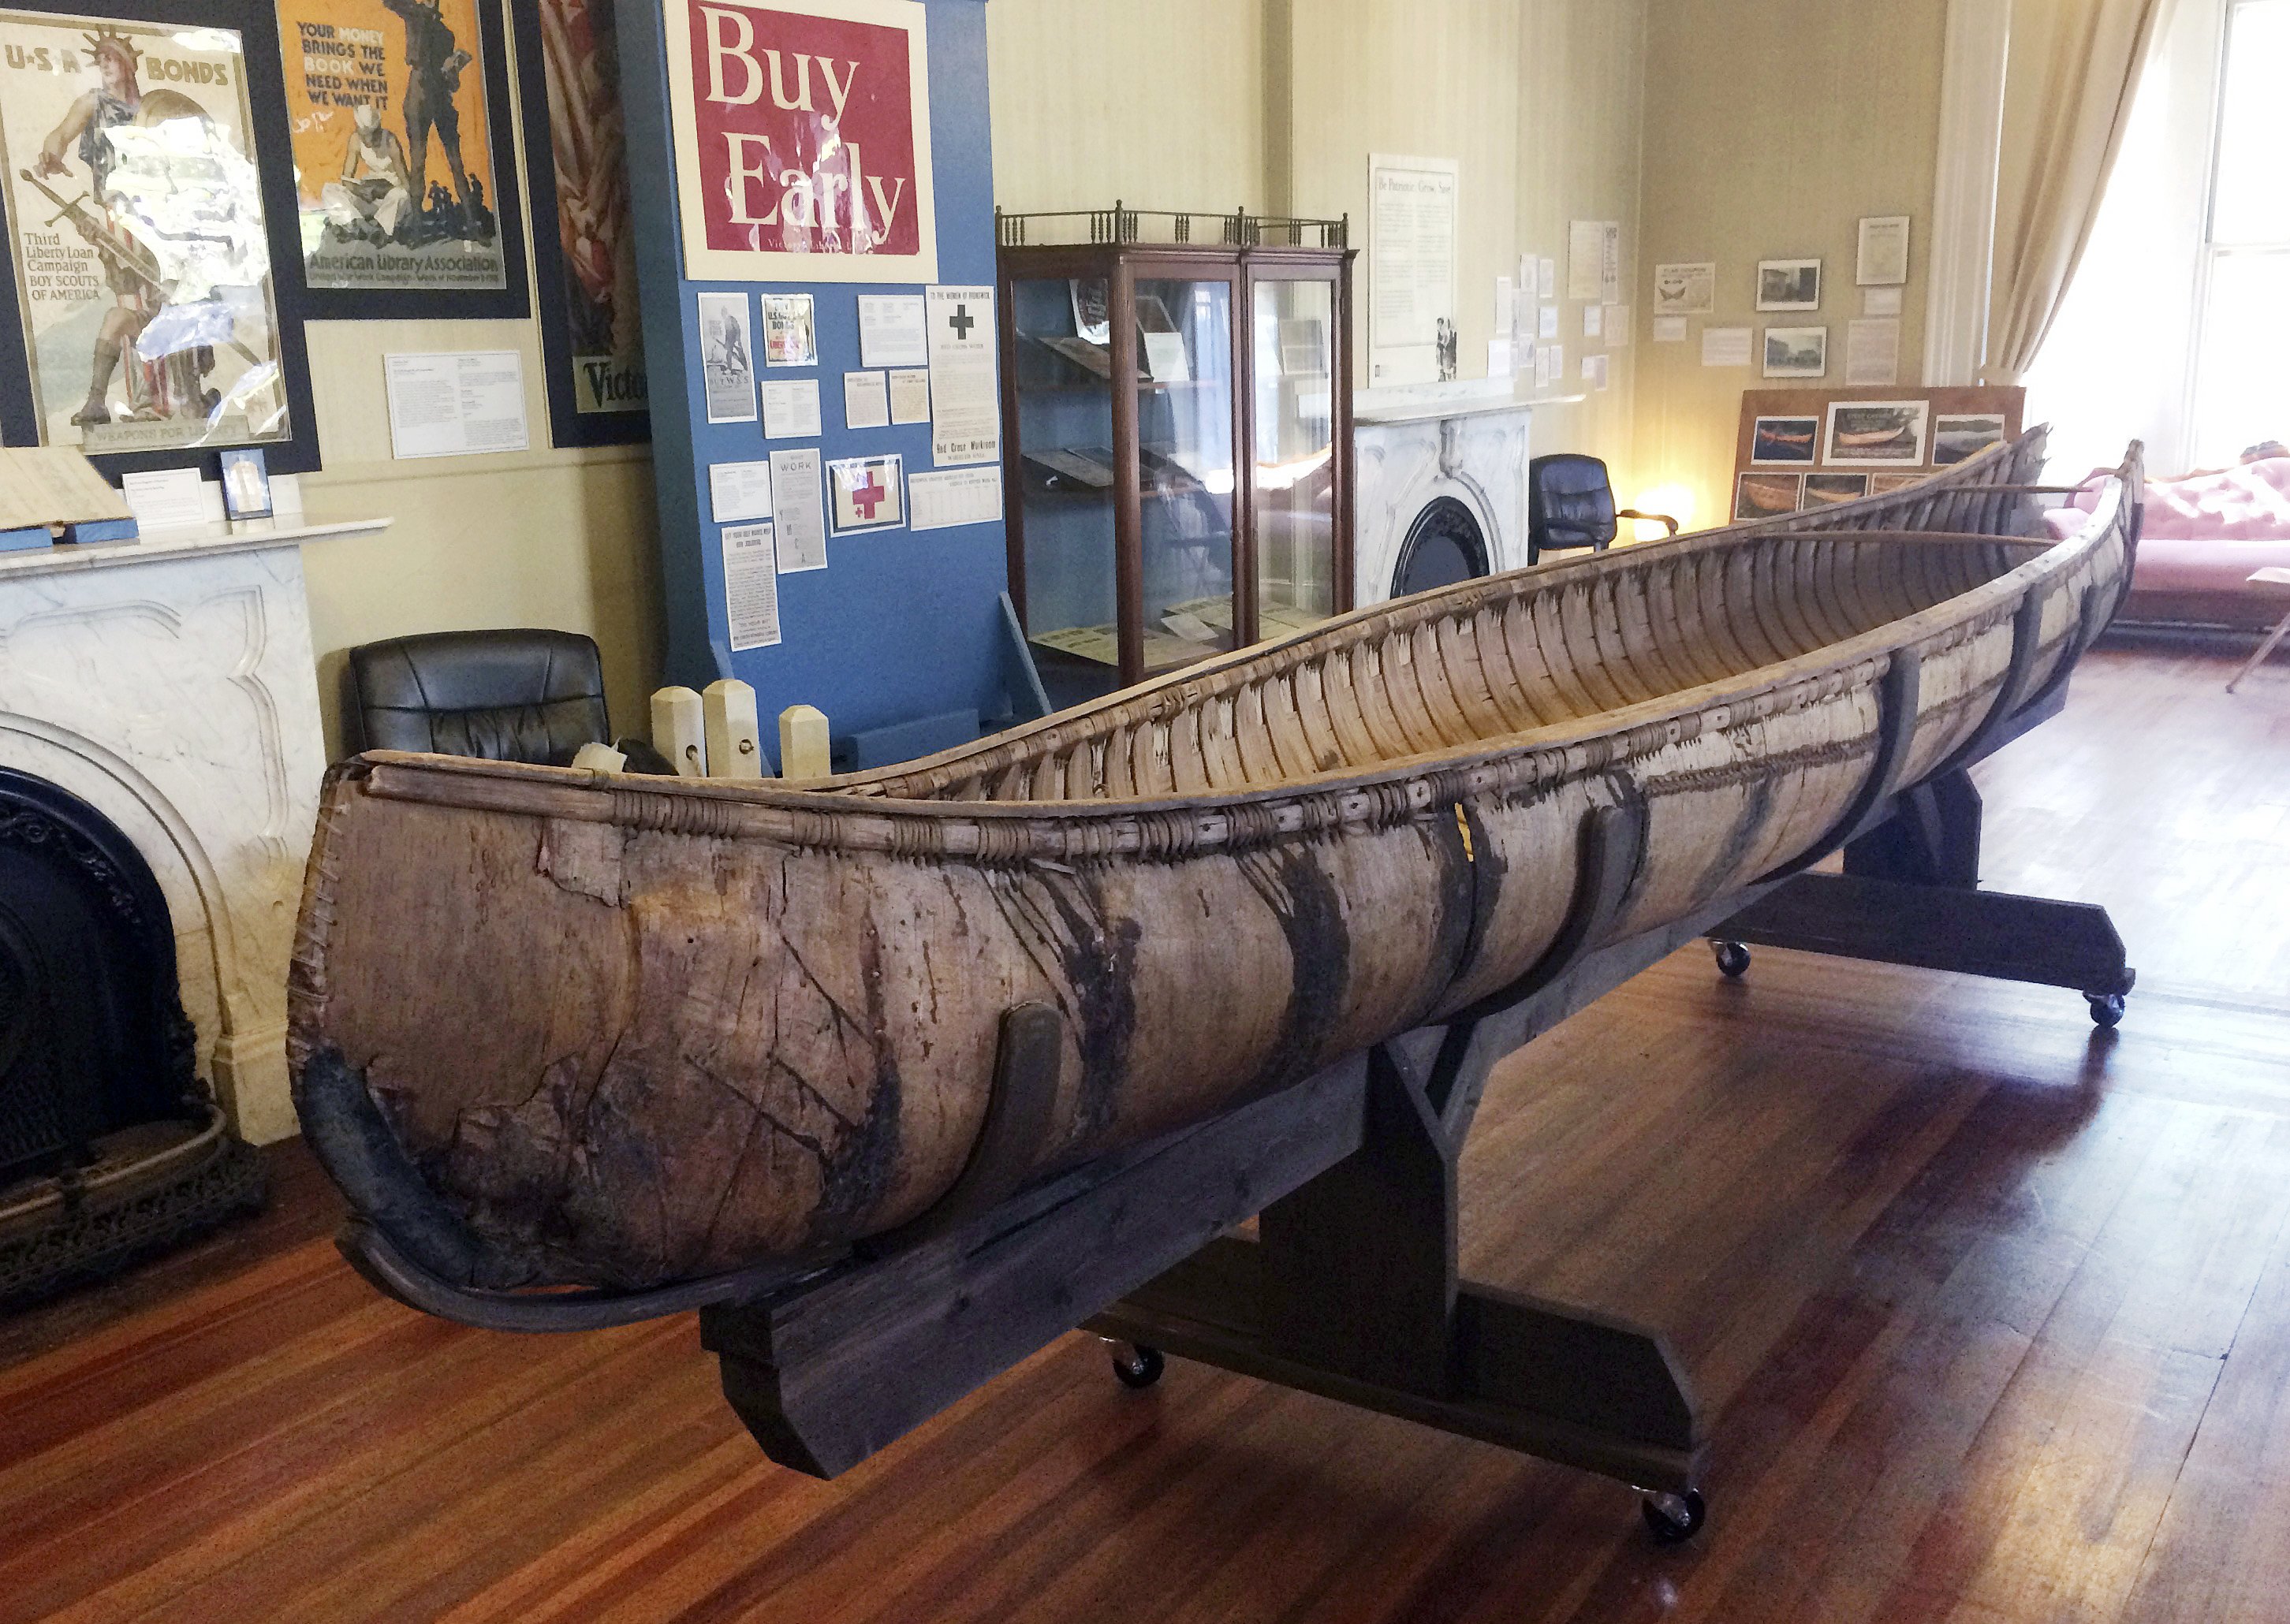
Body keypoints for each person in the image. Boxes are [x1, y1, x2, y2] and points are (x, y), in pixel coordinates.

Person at [35, 28, 211, 428]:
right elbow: (61, 133)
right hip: (121, 213)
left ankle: (185, 395)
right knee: (131, 300)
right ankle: (143, 399)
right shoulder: (93, 102)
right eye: (100, 60)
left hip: (163, 214)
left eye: (111, 58)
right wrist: (50, 153)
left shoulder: (157, 109)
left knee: (173, 295)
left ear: (129, 64)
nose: (104, 65)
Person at [382, 0, 476, 229]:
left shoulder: (447, 35)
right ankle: (417, 225)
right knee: (418, 160)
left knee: (456, 160)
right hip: (419, 92)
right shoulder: (415, 16)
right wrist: (418, 10)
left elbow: (453, 84)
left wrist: (452, 70)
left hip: (440, 94)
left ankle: (472, 221)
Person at [322, 102, 412, 242]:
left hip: (390, 198)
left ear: (378, 128)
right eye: (364, 135)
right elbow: (346, 179)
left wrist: (382, 189)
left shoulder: (390, 141)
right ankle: (358, 226)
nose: (368, 140)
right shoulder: (355, 139)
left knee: (401, 195)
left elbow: (406, 185)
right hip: (369, 197)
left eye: (372, 135)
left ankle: (381, 230)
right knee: (329, 190)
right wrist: (359, 190)